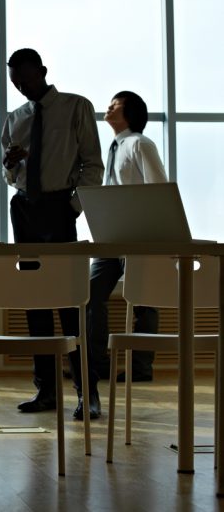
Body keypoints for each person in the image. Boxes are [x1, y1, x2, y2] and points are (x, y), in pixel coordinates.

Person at [1, 49, 103, 419]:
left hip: (59, 208)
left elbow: (92, 163)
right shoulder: (15, 118)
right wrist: (10, 168)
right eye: (14, 81)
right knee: (36, 303)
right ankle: (46, 391)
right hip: (24, 208)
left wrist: (73, 207)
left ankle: (87, 393)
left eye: (25, 78)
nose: (21, 86)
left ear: (42, 71)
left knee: (71, 302)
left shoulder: (76, 107)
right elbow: (9, 174)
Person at [87, 91, 167, 389]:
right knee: (90, 294)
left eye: (115, 104)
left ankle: (141, 367)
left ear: (130, 112)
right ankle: (98, 364)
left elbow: (159, 188)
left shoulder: (140, 144)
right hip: (112, 235)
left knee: (144, 300)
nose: (107, 107)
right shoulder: (113, 147)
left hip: (138, 235)